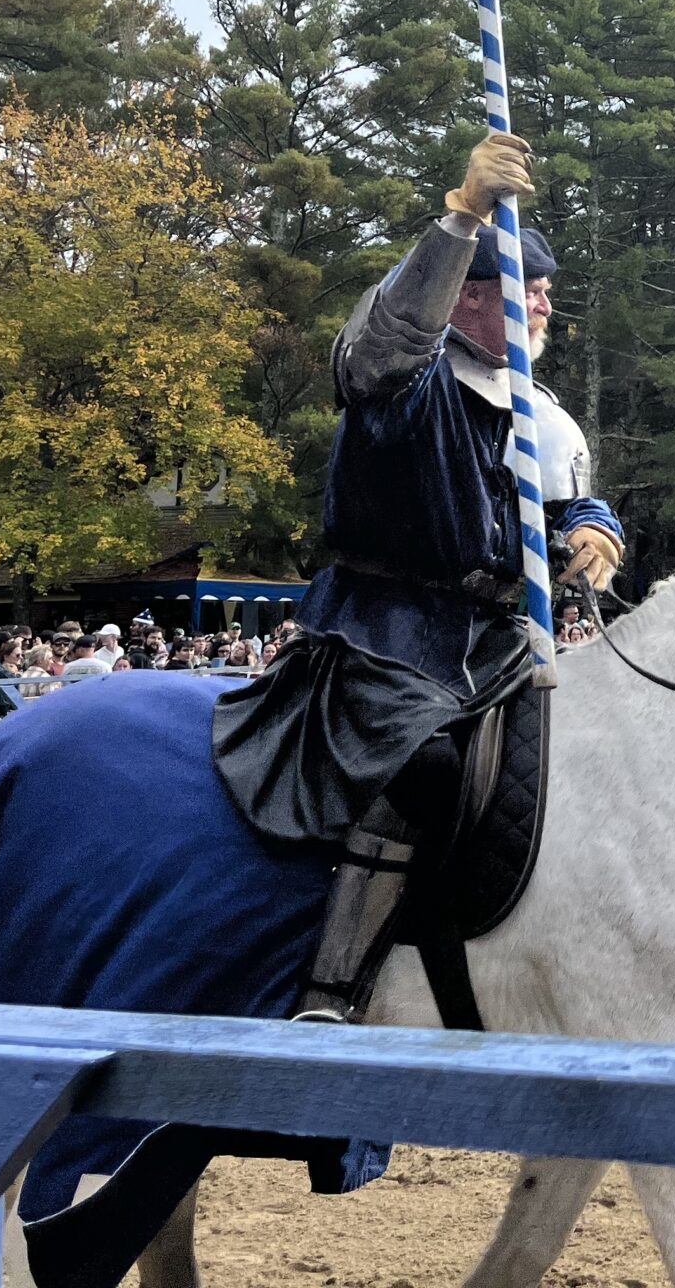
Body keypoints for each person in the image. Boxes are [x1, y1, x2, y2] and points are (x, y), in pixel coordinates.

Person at [211, 132, 624, 1025]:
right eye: (527, 288)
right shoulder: (406, 379)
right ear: (470, 298)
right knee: (426, 762)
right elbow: (384, 340)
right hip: (385, 636)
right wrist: (462, 219)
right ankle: (334, 986)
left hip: (500, 644)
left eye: (545, 290)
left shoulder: (543, 413)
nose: (546, 303)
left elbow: (571, 509)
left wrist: (595, 536)